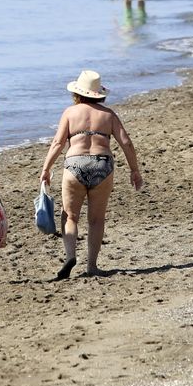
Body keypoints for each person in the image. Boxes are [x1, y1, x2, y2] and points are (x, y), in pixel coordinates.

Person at [38, 70, 143, 280]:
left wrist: (46, 169)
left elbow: (58, 143)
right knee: (96, 219)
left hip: (75, 163)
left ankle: (70, 255)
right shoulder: (108, 115)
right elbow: (126, 142)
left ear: (77, 93)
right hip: (102, 165)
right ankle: (92, 266)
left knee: (69, 215)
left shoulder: (70, 112)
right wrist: (134, 170)